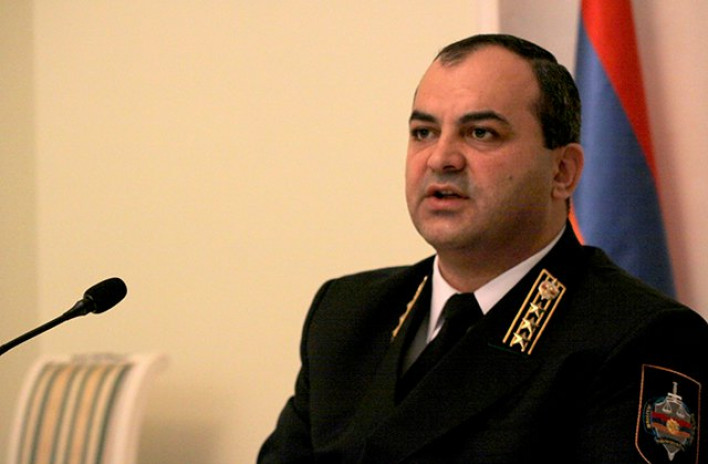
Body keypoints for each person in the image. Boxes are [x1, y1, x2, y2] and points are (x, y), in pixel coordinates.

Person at [258, 34, 707, 463]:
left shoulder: (638, 337)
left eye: (481, 133)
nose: (440, 158)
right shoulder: (347, 314)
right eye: (423, 132)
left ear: (562, 172)